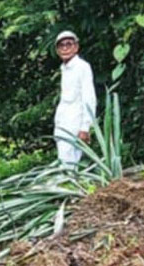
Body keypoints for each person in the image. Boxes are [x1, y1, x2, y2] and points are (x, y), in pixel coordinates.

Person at [53, 31, 96, 166]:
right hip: (63, 123)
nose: (65, 48)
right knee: (64, 163)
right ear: (57, 50)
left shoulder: (82, 67)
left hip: (75, 124)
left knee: (69, 165)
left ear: (76, 47)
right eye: (61, 45)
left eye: (68, 44)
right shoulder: (65, 68)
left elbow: (89, 98)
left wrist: (85, 127)